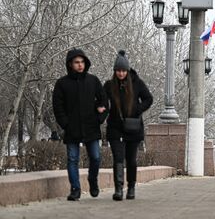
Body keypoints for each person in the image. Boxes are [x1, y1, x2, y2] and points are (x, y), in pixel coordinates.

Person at [52, 48, 108, 201]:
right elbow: (58, 107)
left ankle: (92, 180)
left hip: (92, 127)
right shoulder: (62, 83)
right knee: (72, 159)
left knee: (95, 158)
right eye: (76, 62)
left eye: (82, 62)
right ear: (70, 64)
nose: (80, 65)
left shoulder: (93, 81)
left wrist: (99, 118)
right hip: (72, 129)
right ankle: (75, 189)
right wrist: (66, 124)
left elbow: (104, 102)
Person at [104, 50, 153, 201]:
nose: (121, 73)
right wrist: (101, 108)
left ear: (127, 70)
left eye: (123, 70)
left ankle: (131, 187)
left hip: (133, 128)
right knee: (118, 158)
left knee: (131, 159)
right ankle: (118, 188)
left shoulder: (137, 83)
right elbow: (102, 101)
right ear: (114, 71)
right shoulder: (109, 85)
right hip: (115, 128)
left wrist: (136, 109)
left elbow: (148, 99)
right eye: (118, 70)